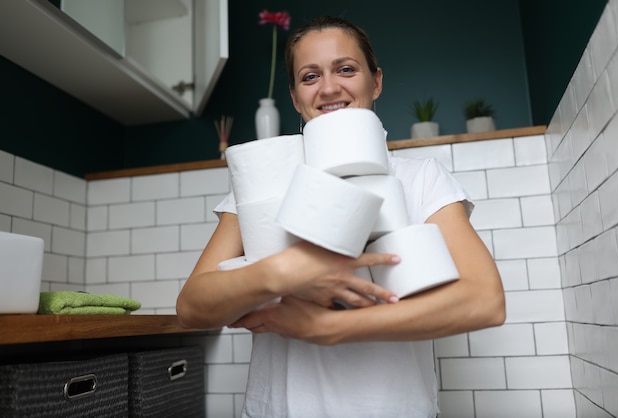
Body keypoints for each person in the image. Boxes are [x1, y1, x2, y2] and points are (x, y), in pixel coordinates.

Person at [177, 15, 505, 418]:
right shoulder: (262, 186)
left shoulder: (420, 178)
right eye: (310, 76)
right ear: (295, 98)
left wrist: (328, 328)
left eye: (346, 69)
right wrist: (285, 272)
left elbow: (485, 301)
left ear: (376, 81)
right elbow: (193, 308)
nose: (329, 87)